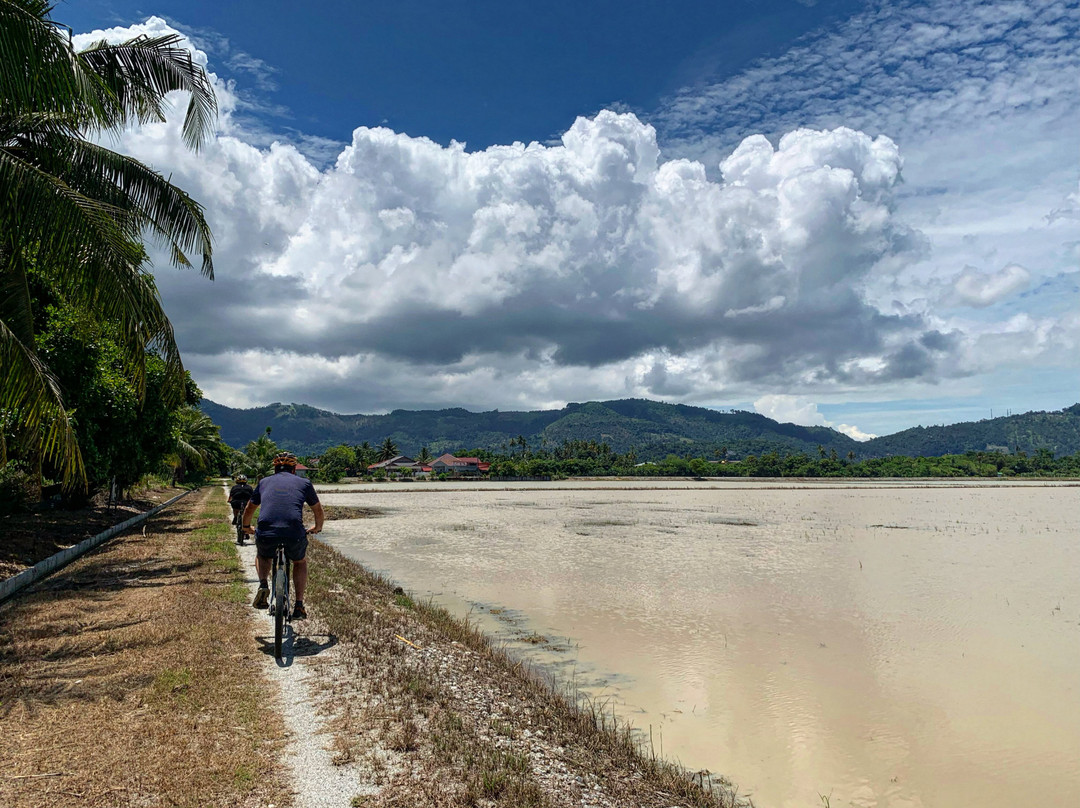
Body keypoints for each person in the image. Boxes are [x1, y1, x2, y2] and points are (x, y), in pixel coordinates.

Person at [241, 452, 323, 620]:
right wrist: (317, 527)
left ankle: (263, 583)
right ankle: (299, 605)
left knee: (263, 555)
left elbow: (250, 508)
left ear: (275, 469)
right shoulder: (305, 483)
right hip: (294, 532)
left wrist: (245, 527)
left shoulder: (263, 482)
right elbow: (317, 510)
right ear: (294, 469)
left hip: (267, 531)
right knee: (299, 561)